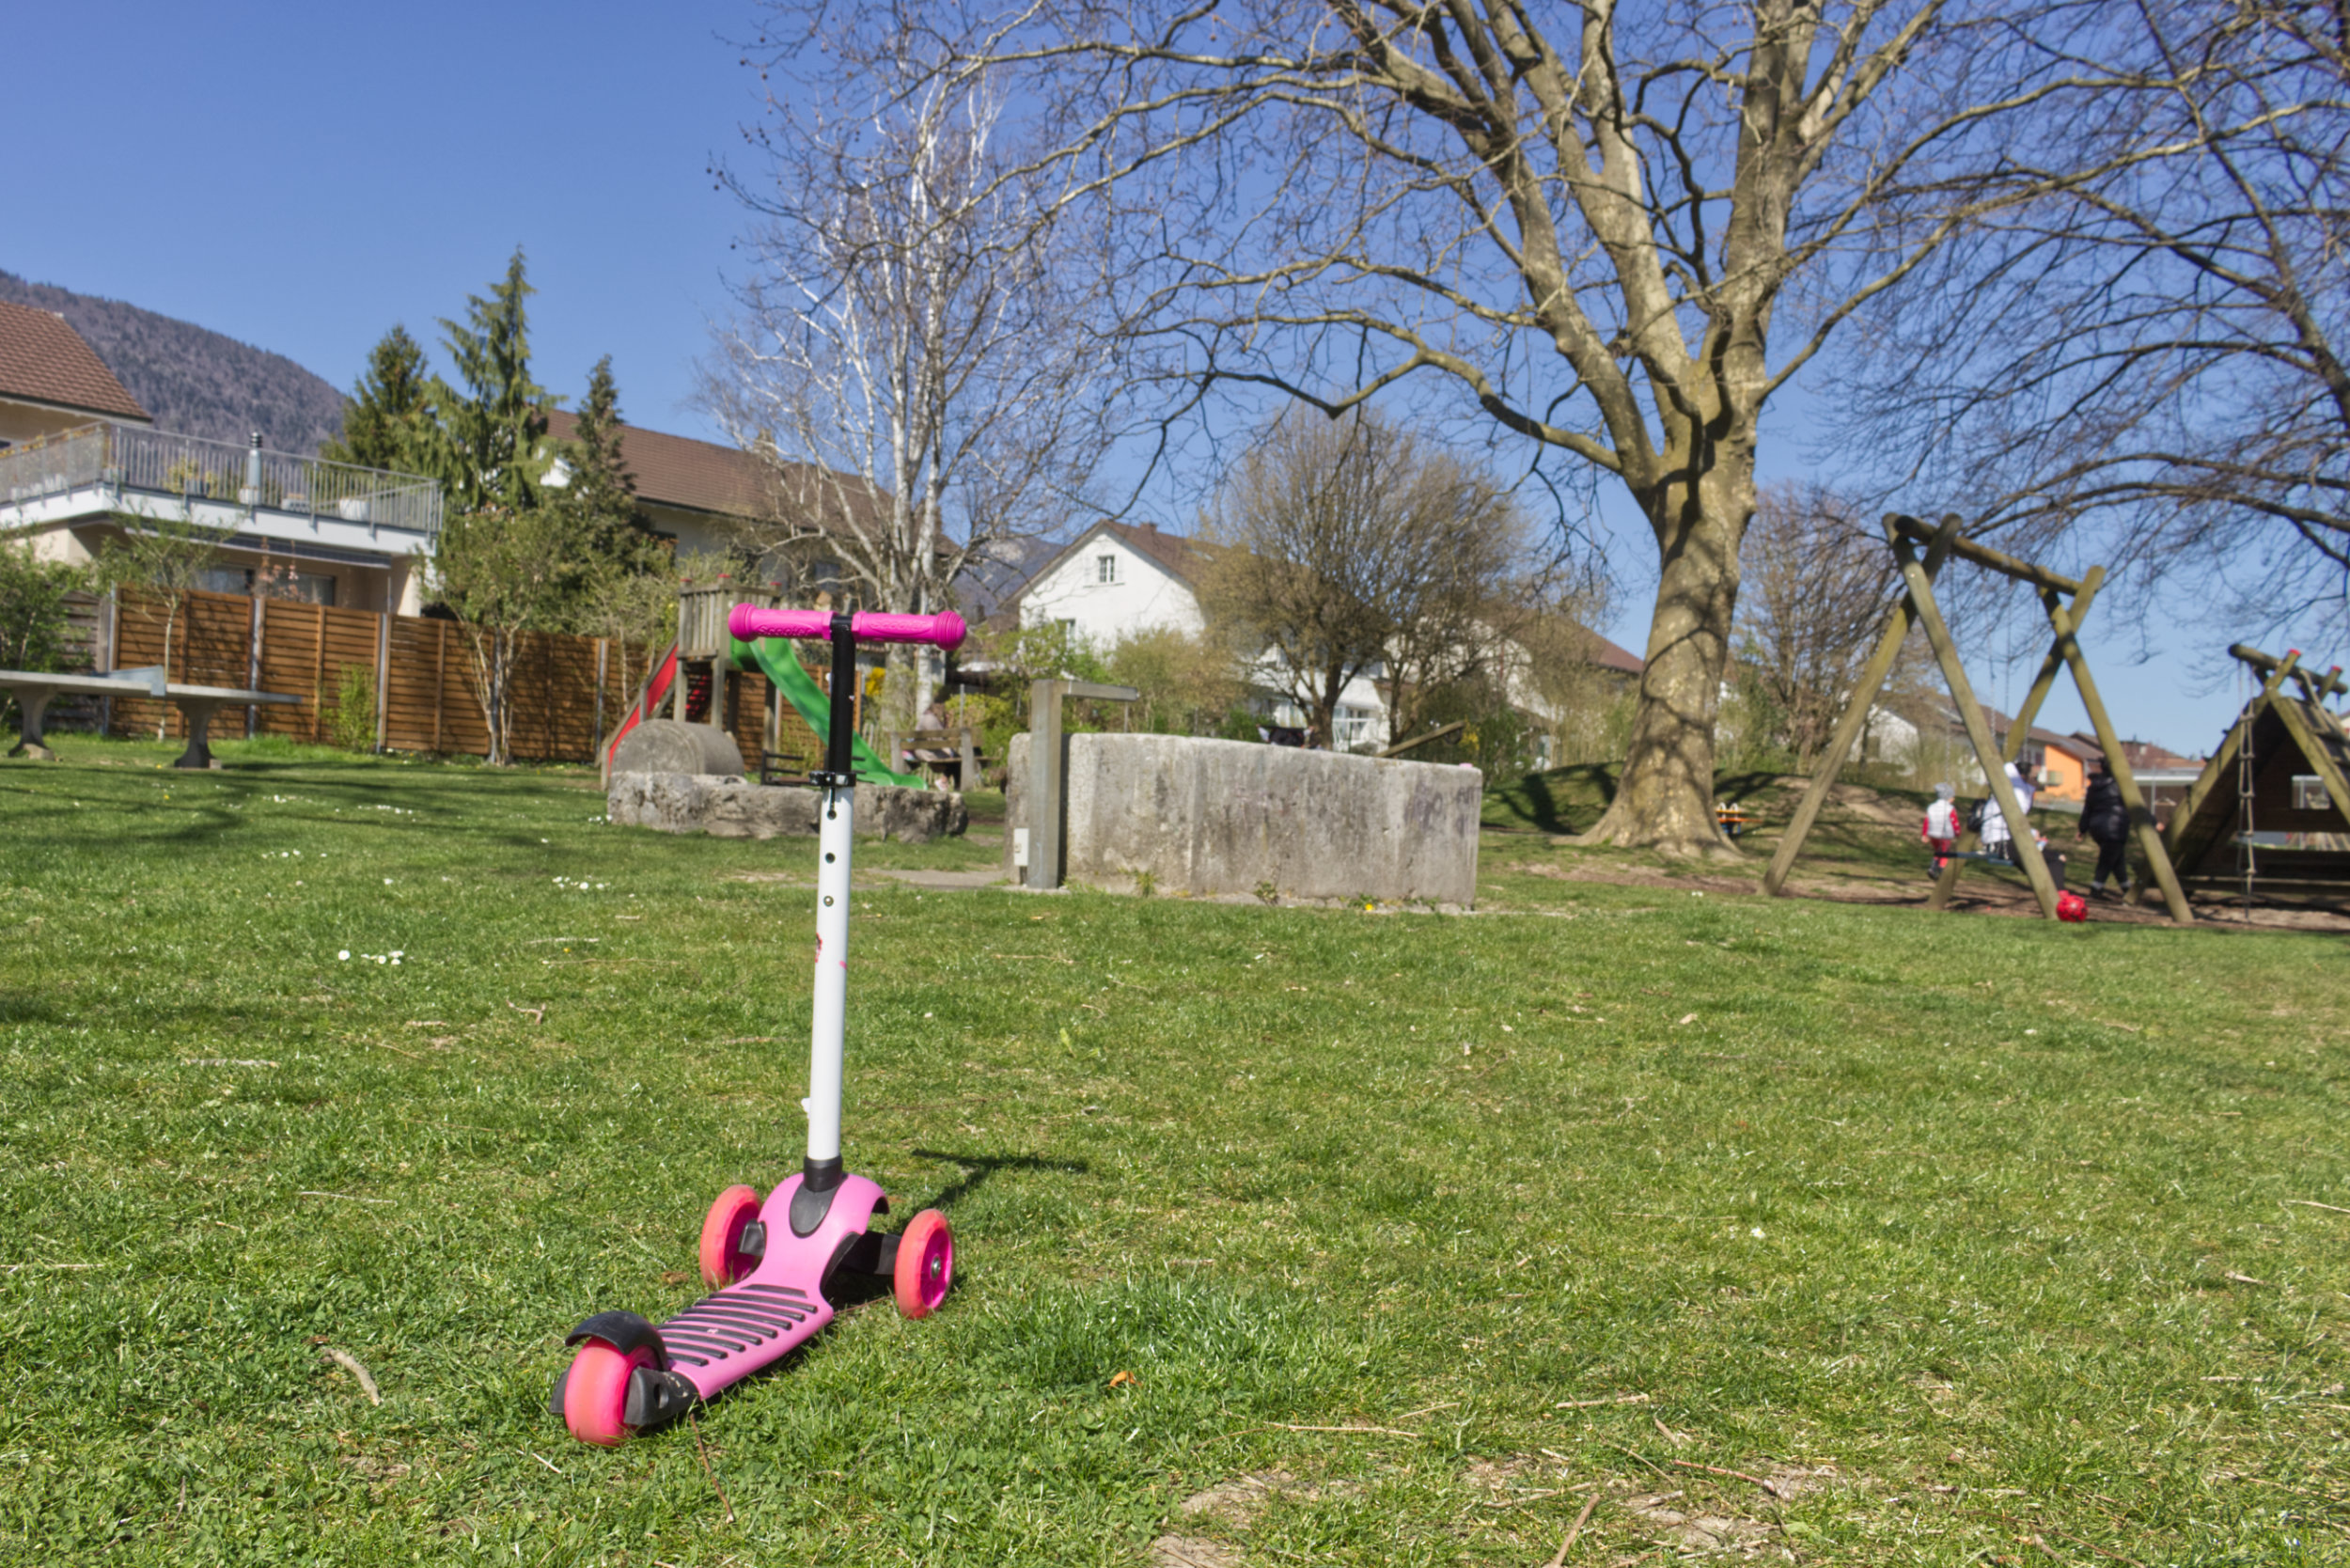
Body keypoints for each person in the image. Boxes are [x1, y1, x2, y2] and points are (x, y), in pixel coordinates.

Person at [2077, 758, 2131, 898]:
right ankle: (2096, 887)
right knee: (2108, 859)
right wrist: (2153, 822)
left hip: (2097, 826)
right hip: (2116, 825)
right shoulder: (2121, 785)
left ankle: (2127, 888)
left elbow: (2087, 808)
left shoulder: (2094, 785)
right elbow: (2135, 805)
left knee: (2116, 857)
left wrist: (2082, 828)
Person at [1979, 760, 2035, 863]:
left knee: (2041, 858)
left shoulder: (2007, 789)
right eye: (2033, 777)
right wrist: (2032, 834)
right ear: (2023, 776)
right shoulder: (2017, 792)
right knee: (2048, 858)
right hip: (1999, 841)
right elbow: (2017, 818)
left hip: (1996, 838)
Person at [1921, 782, 1962, 877]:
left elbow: (1927, 821)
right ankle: (1942, 869)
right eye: (1952, 796)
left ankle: (1932, 867)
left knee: (1938, 851)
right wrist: (1957, 832)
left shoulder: (1931, 807)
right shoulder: (1950, 808)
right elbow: (1954, 822)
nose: (1953, 799)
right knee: (1945, 852)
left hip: (1933, 835)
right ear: (1947, 797)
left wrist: (1925, 834)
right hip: (1945, 835)